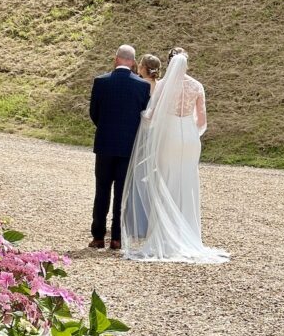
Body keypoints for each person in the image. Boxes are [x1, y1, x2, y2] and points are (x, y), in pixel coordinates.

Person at [121, 47, 229, 264]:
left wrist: (142, 117)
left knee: (165, 180)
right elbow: (202, 122)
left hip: (169, 136)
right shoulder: (197, 86)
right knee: (187, 183)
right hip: (189, 139)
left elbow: (150, 115)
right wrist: (190, 134)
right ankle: (187, 234)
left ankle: (163, 235)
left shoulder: (163, 85)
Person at [89, 44, 151, 250]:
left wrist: (106, 128)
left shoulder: (101, 82)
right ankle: (117, 237)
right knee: (121, 192)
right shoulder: (142, 86)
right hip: (128, 146)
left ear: (116, 59)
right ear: (133, 62)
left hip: (105, 144)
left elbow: (94, 113)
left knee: (102, 190)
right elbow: (143, 116)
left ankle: (98, 236)